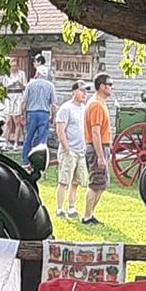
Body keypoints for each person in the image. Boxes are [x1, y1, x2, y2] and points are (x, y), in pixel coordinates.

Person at [53, 81, 91, 220]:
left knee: (76, 182)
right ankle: (59, 209)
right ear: (74, 92)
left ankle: (72, 208)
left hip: (81, 151)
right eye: (82, 91)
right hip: (69, 151)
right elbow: (60, 130)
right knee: (64, 181)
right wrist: (67, 149)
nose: (84, 94)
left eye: (86, 91)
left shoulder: (84, 108)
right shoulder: (66, 109)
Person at [81, 72, 115, 224]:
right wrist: (100, 156)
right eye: (109, 84)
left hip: (102, 147)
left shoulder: (100, 103)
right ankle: (87, 217)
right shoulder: (95, 104)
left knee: (101, 184)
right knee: (95, 184)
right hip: (97, 148)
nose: (111, 87)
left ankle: (91, 214)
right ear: (101, 86)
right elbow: (95, 132)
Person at [22, 63, 55, 162]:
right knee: (42, 139)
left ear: (37, 73)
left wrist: (23, 115)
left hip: (32, 113)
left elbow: (24, 102)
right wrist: (53, 117)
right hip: (44, 113)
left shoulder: (30, 85)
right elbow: (53, 104)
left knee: (29, 137)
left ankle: (25, 159)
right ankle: (40, 160)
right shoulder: (50, 86)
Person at [4, 77, 26, 147]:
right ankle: (6, 141)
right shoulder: (7, 75)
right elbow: (5, 86)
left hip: (18, 96)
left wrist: (19, 83)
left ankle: (16, 142)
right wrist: (12, 83)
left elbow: (24, 86)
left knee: (17, 121)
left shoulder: (21, 74)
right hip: (9, 97)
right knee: (8, 121)